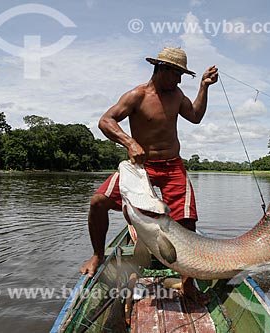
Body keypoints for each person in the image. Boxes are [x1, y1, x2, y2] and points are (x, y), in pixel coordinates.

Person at [80, 47, 218, 302]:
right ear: (163, 69)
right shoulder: (137, 95)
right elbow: (105, 121)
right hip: (142, 167)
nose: (178, 81)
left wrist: (204, 87)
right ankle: (98, 255)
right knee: (97, 203)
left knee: (187, 221)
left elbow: (196, 117)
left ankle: (188, 285)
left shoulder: (177, 95)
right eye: (177, 75)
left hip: (173, 166)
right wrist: (129, 142)